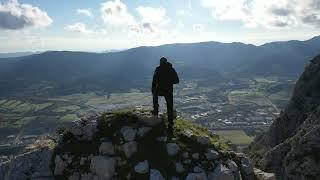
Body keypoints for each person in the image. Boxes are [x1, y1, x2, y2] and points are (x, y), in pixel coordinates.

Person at [152, 57, 179, 131]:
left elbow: (154, 81)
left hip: (159, 90)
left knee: (155, 98)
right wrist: (169, 81)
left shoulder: (158, 69)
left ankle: (155, 112)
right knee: (170, 106)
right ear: (166, 62)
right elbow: (177, 81)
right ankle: (170, 123)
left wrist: (153, 91)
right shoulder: (171, 69)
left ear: (160, 62)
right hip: (169, 90)